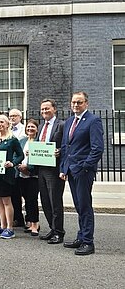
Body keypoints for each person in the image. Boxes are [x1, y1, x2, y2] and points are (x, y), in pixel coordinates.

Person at [60, 91, 104, 256]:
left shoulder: (93, 121)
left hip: (83, 171)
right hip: (71, 170)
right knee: (79, 205)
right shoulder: (70, 121)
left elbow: (97, 148)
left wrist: (86, 166)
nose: (76, 105)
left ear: (86, 103)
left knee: (85, 205)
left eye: (79, 102)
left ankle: (88, 242)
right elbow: (66, 147)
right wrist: (64, 168)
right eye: (73, 102)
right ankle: (81, 236)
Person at [0, 114, 24, 239]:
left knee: (7, 201)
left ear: (7, 124)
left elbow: (20, 155)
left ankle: (10, 228)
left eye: (2, 122)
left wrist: (12, 163)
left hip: (6, 175)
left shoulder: (12, 139)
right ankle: (2, 226)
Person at [37, 98, 66, 244]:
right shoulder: (42, 126)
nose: (44, 111)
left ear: (54, 109)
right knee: (45, 201)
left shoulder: (61, 125)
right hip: (41, 168)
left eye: (47, 108)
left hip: (54, 169)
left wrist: (59, 151)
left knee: (55, 201)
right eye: (42, 109)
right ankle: (52, 228)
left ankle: (59, 232)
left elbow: (67, 145)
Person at [17, 119, 40, 236]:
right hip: (21, 174)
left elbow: (40, 159)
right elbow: (17, 155)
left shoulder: (39, 141)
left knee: (32, 200)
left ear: (37, 129)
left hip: (33, 176)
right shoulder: (22, 141)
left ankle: (35, 224)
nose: (30, 129)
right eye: (28, 127)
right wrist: (20, 167)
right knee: (26, 200)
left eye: (33, 127)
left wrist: (28, 169)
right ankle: (30, 222)